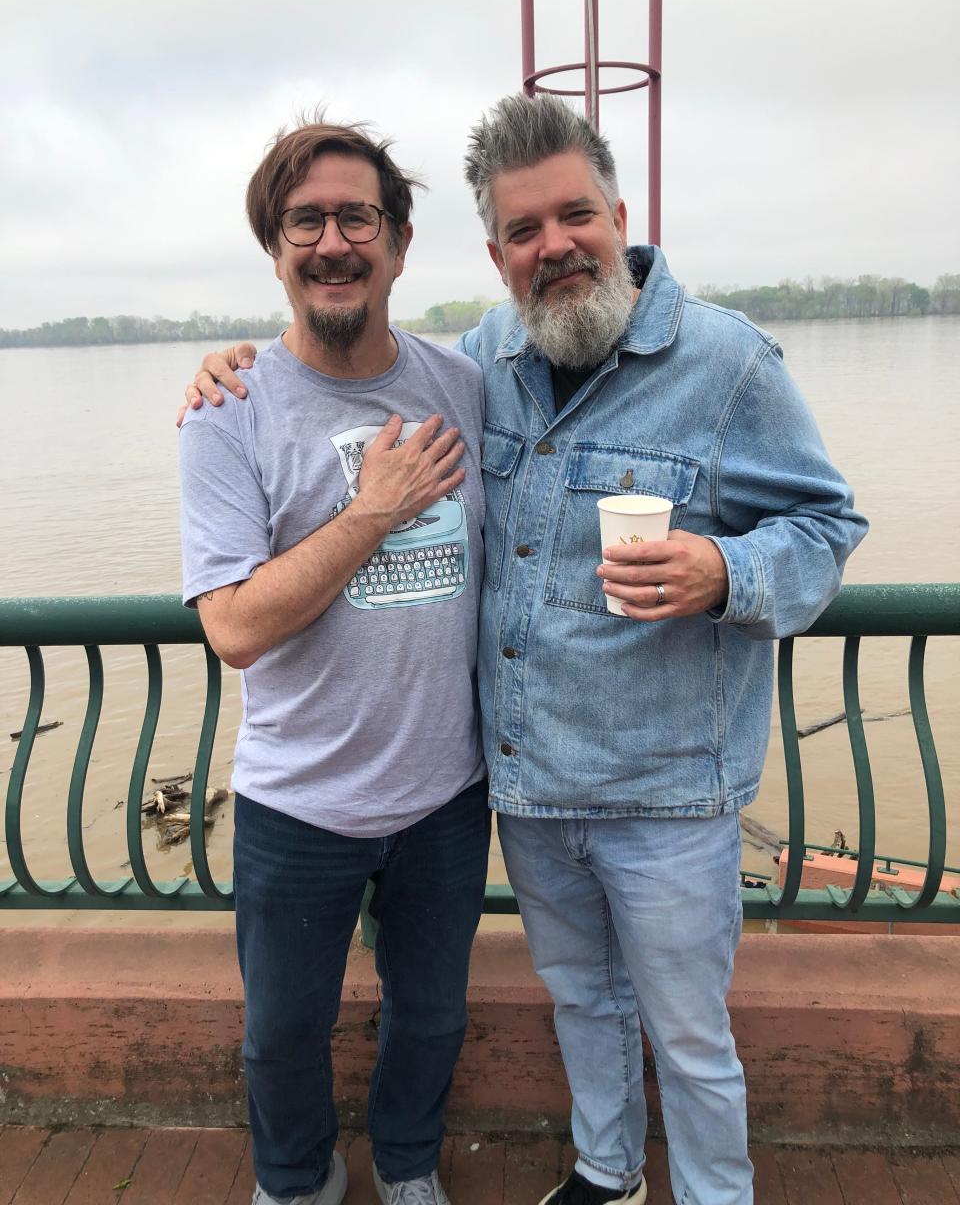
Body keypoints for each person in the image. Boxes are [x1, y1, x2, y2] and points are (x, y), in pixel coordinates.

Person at [183, 93, 867, 1205]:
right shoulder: (488, 359)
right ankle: (608, 1170)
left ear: (618, 213)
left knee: (691, 1035)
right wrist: (234, 364)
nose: (554, 246)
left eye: (573, 216)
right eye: (522, 231)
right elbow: (329, 399)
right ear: (493, 253)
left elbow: (828, 528)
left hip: (663, 788)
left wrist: (725, 572)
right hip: (531, 790)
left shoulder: (728, 364)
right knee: (581, 1001)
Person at [178, 117, 490, 1205]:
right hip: (295, 798)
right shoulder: (229, 412)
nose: (332, 240)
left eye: (358, 216)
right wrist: (374, 510)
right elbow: (235, 627)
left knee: (433, 1011)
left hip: (447, 794)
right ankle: (296, 1177)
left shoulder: (466, 384)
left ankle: (407, 1163)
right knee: (279, 1033)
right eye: (304, 220)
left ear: (400, 246)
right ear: (276, 249)